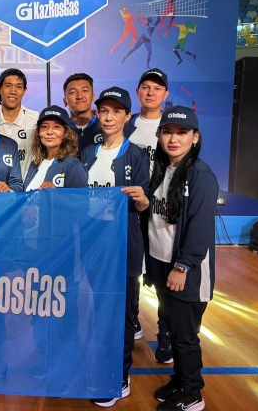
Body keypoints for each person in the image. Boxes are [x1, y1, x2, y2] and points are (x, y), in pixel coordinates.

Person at [145, 105, 218, 411]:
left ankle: (192, 393)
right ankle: (179, 380)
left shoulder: (200, 175)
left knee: (185, 334)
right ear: (159, 135)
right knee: (172, 328)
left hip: (185, 270)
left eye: (182, 132)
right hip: (160, 264)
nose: (173, 139)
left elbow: (200, 229)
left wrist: (182, 265)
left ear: (195, 137)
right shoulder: (162, 169)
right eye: (167, 132)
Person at [81, 87, 150, 408]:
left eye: (116, 111)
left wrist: (142, 200)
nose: (109, 117)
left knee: (121, 315)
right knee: (98, 310)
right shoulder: (87, 154)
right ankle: (100, 365)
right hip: (93, 247)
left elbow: (144, 204)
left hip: (123, 247)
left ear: (127, 116)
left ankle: (119, 375)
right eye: (104, 111)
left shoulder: (137, 155)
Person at [124, 68, 170, 350]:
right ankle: (133, 318)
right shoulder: (126, 124)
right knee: (132, 270)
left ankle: (165, 331)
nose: (150, 92)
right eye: (145, 87)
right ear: (138, 91)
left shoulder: (171, 126)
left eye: (157, 88)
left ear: (165, 94)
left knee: (162, 272)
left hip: (163, 209)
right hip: (133, 208)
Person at [23, 105, 88, 190]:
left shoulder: (74, 166)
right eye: (44, 126)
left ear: (66, 132)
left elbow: (81, 198)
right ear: (38, 132)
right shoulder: (34, 165)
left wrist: (56, 194)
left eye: (56, 126)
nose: (49, 132)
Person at [0, 68, 39, 179]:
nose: (13, 91)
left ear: (24, 91)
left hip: (26, 186)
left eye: (18, 87)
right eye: (8, 86)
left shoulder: (35, 120)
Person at [62, 73, 101, 154]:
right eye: (72, 92)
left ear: (93, 97)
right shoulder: (60, 132)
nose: (79, 96)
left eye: (85, 90)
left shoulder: (106, 129)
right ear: (65, 101)